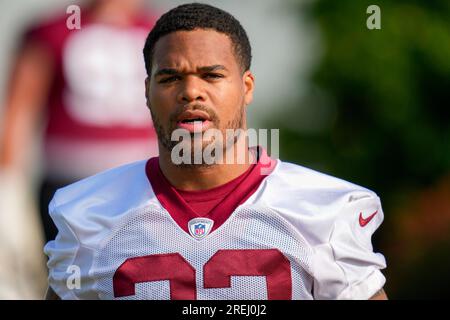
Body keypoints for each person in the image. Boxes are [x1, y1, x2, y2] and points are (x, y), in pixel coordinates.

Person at [44, 3, 387, 300]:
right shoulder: (88, 215)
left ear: (246, 87)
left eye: (211, 75)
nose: (191, 91)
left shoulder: (324, 211)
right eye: (169, 78)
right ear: (147, 92)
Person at [0, 0, 159, 243]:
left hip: (142, 183)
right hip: (70, 183)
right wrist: (8, 186)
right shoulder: (52, 31)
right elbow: (19, 112)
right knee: (69, 274)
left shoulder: (161, 30)